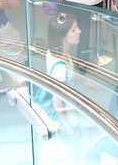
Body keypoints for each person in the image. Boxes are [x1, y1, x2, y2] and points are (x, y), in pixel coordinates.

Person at [45, 12, 83, 140]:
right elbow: (58, 104)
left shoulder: (55, 52)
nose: (79, 31)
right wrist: (70, 129)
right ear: (62, 37)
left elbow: (70, 68)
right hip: (67, 116)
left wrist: (86, 81)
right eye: (73, 30)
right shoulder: (60, 69)